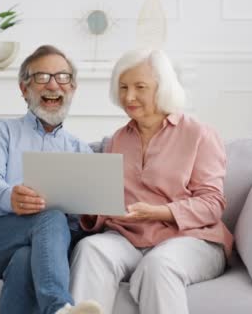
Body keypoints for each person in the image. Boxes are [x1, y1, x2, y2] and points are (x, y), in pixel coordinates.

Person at [69, 49, 233, 314]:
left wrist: (160, 211)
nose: (129, 96)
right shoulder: (118, 140)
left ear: (163, 88)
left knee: (159, 265)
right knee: (91, 249)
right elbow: (107, 208)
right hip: (128, 238)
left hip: (190, 239)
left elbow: (212, 204)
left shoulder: (199, 134)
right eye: (122, 87)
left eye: (139, 87)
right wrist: (87, 203)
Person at [0, 45, 103, 314]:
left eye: (62, 77)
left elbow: (79, 223)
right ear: (24, 88)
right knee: (51, 216)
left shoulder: (80, 150)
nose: (53, 85)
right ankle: (58, 307)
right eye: (42, 77)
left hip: (42, 246)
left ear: (72, 88)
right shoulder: (0, 131)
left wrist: (90, 214)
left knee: (26, 259)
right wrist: (10, 197)